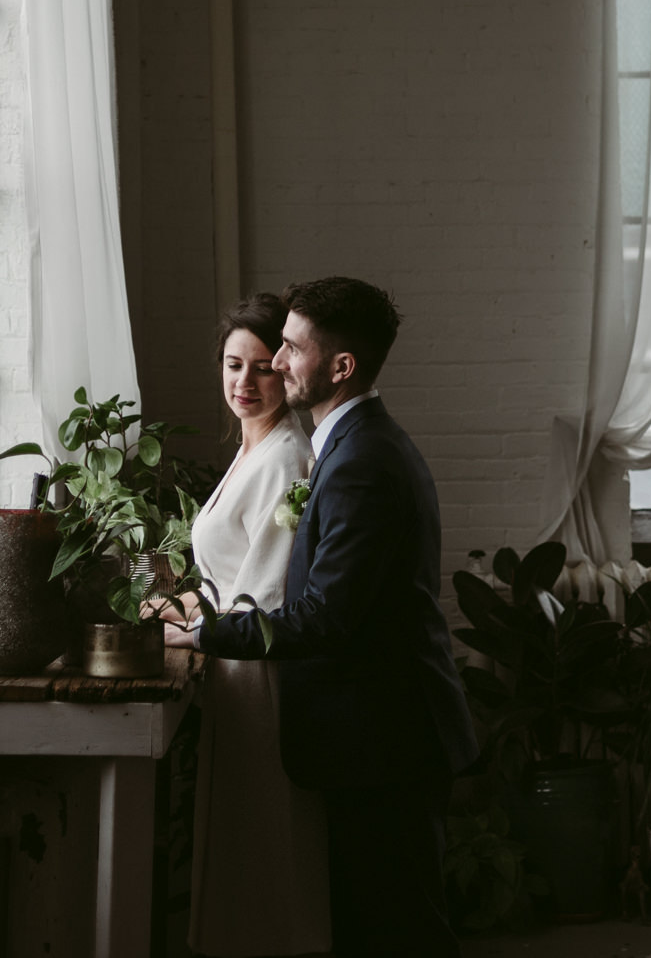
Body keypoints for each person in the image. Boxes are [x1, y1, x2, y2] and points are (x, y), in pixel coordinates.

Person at [174, 276, 477, 958]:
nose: (276, 363)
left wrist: (202, 630)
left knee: (402, 930)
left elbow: (325, 617)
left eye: (289, 349)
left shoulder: (361, 459)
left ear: (341, 367)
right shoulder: (353, 444)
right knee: (378, 925)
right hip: (372, 732)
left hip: (386, 736)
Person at [175, 292, 333, 956]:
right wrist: (184, 604)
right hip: (231, 673)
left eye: (263, 366)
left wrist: (192, 627)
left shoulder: (284, 459)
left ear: (287, 373)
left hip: (260, 678)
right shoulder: (250, 449)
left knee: (266, 850)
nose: (245, 381)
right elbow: (230, 572)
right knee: (242, 850)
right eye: (233, 364)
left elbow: (266, 595)